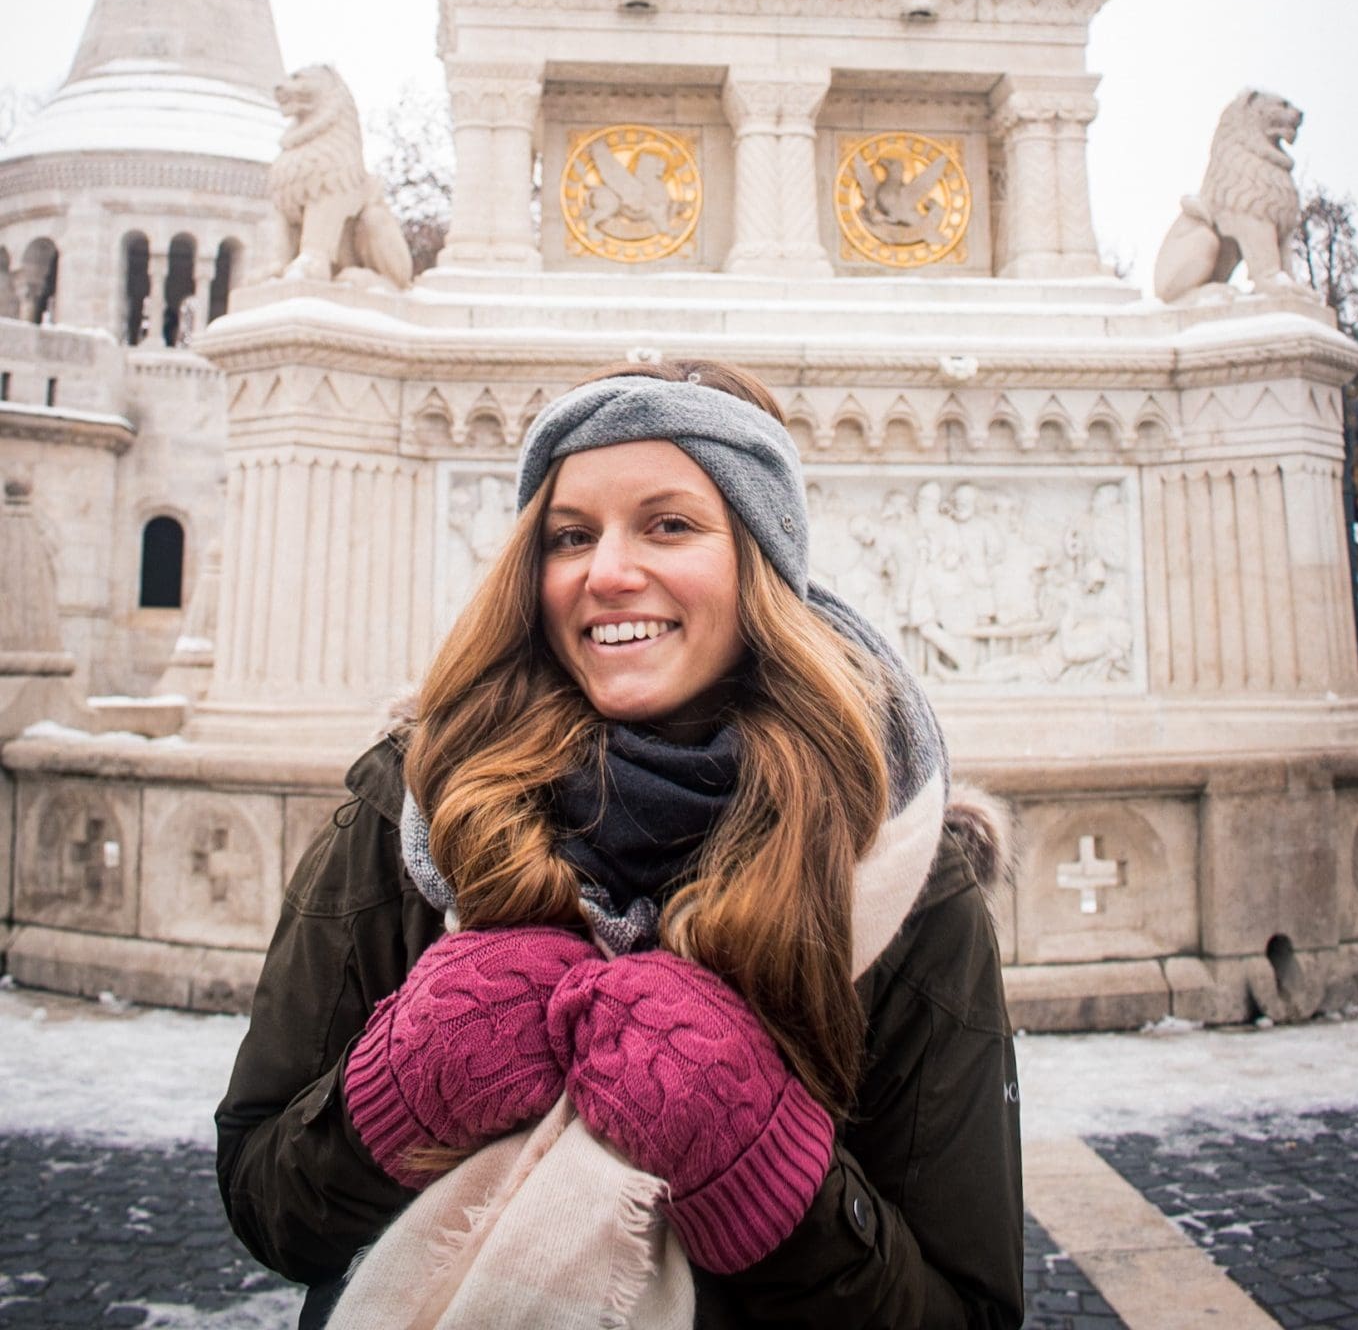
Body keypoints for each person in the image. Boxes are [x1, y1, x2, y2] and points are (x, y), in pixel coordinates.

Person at [216, 359, 1023, 1328]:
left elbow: (963, 1310)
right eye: (569, 534)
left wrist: (766, 1174)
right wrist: (396, 1096)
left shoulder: (894, 865)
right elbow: (267, 1199)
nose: (605, 571)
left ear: (760, 556)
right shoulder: (419, 798)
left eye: (669, 523)